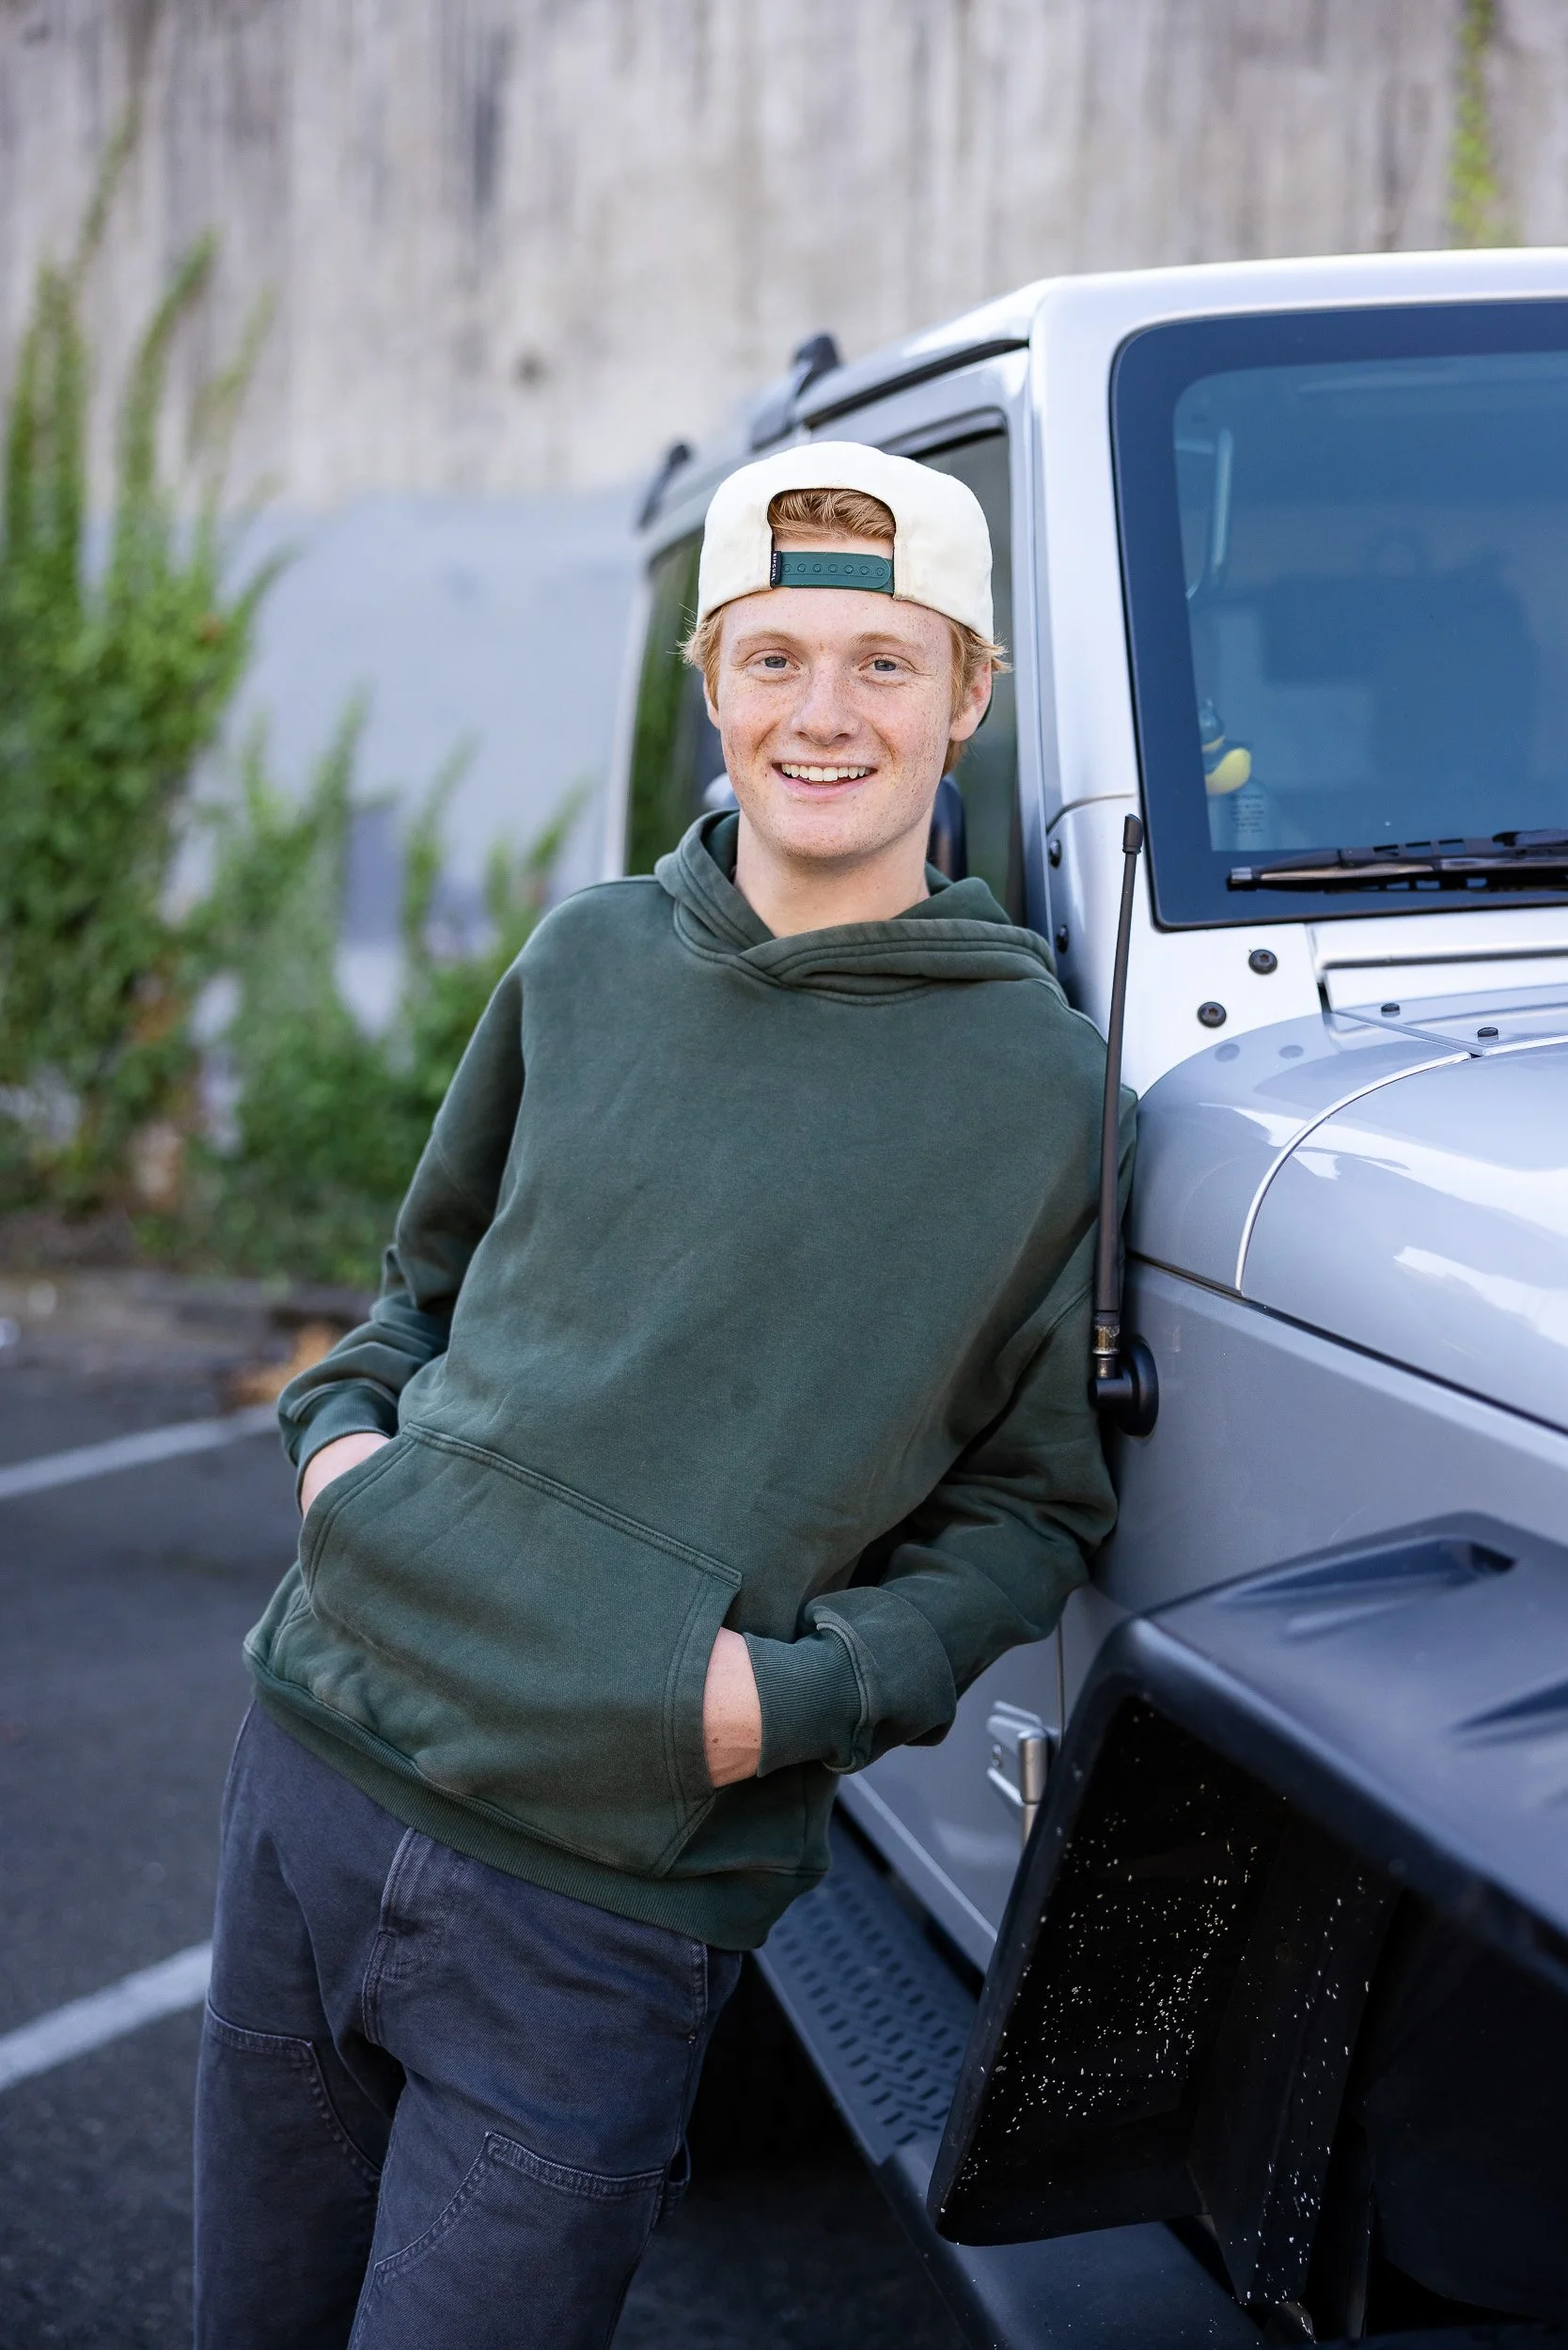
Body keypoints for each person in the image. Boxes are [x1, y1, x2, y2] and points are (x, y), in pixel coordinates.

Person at [193, 440, 1124, 2349]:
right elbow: (414, 1294)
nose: (825, 711)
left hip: (604, 1897)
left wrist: (774, 1699)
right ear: (711, 679)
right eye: (775, 656)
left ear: (971, 694)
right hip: (313, 1779)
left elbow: (1033, 1508)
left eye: (885, 660)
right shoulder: (586, 955)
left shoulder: (1039, 1089)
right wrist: (345, 1468)